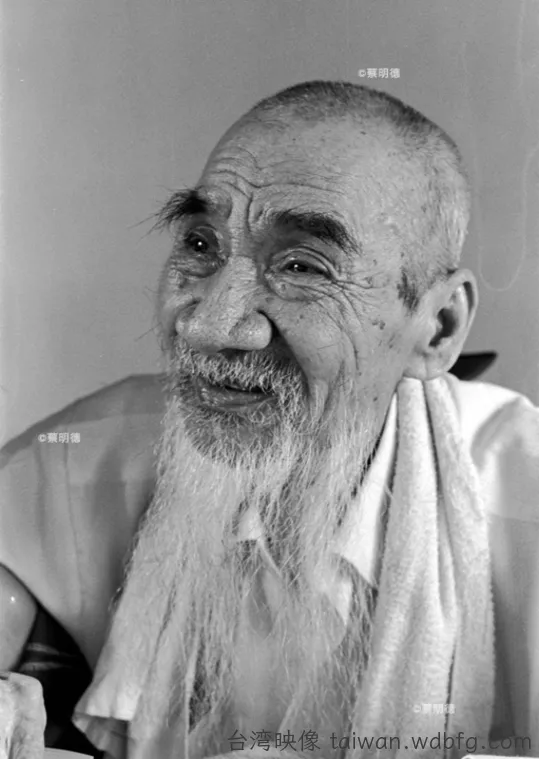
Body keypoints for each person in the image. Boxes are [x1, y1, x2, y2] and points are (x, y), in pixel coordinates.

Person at [1, 80, 538, 759]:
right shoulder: (87, 459)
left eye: (303, 265)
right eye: (201, 243)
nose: (207, 324)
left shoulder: (522, 504)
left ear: (438, 328)